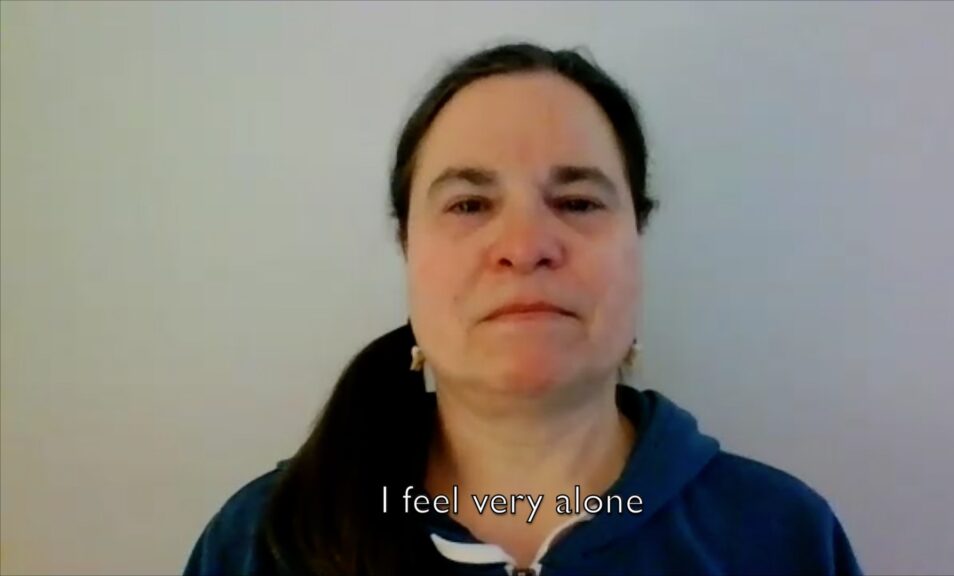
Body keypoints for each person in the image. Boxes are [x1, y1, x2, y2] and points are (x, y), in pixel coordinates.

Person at [183, 42, 863, 576]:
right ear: (406, 247)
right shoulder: (260, 543)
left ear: (638, 240)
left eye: (578, 202)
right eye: (469, 204)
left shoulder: (782, 537)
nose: (525, 246)